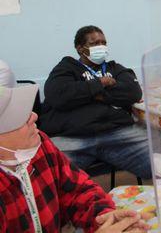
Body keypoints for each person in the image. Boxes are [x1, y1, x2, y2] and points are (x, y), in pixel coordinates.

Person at [0, 73, 149, 232]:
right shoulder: (65, 70)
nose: (34, 117)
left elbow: (78, 189)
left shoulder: (38, 144)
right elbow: (60, 94)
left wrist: (104, 217)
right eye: (18, 118)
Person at [39, 25, 152, 179]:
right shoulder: (67, 67)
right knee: (49, 178)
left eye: (103, 43)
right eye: (95, 43)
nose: (101, 47)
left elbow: (132, 92)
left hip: (117, 135)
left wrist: (93, 94)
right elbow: (58, 95)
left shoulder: (114, 68)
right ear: (80, 48)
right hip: (72, 138)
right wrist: (100, 84)